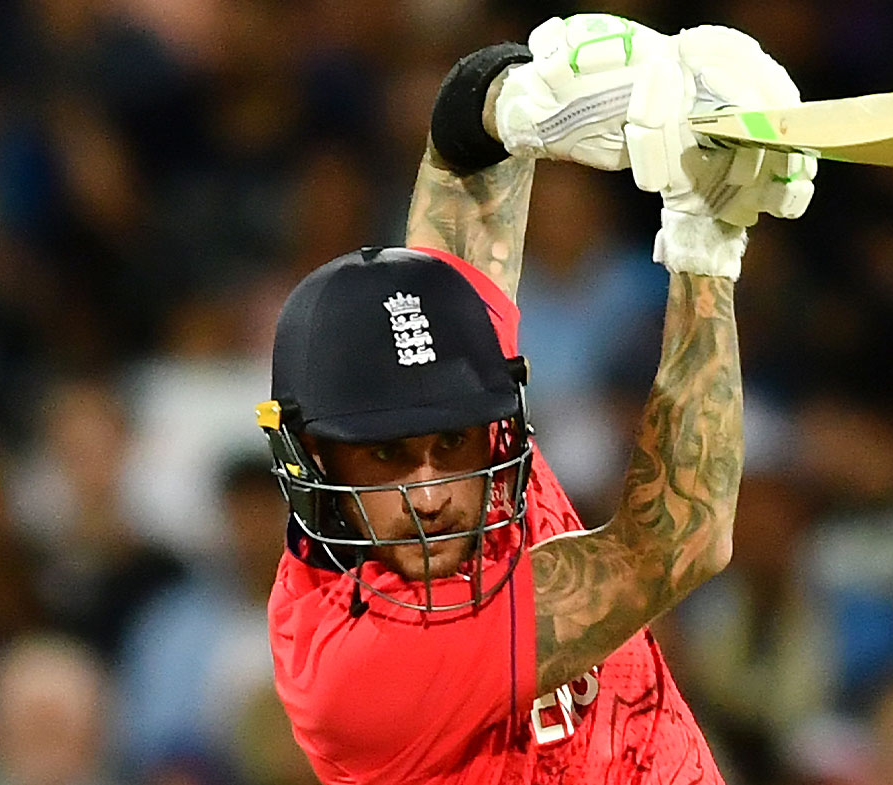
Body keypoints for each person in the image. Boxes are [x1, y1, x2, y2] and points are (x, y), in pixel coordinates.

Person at [257, 14, 816, 784]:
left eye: (450, 442)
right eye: (387, 455)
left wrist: (516, 102)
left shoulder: (469, 399)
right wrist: (704, 246)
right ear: (312, 459)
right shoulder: (354, 668)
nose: (434, 492)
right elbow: (678, 542)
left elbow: (461, 179)